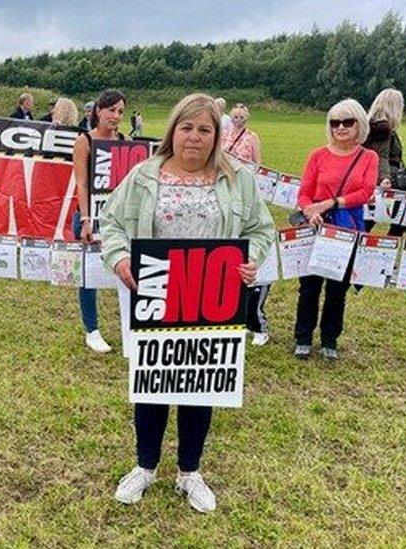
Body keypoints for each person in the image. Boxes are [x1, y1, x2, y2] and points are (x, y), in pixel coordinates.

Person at [100, 93, 274, 512]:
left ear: (216, 136)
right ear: (172, 130)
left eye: (204, 130)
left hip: (212, 299)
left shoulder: (238, 179)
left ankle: (190, 472)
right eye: (186, 127)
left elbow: (261, 228)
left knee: (199, 384)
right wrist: (120, 258)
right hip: (157, 294)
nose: (194, 138)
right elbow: (111, 222)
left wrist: (250, 259)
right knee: (153, 383)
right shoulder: (144, 176)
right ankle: (145, 467)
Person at [293, 99, 379, 360]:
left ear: (359, 125)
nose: (340, 127)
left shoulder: (368, 157)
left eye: (347, 122)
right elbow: (305, 193)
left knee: (337, 287)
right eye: (335, 122)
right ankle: (303, 336)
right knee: (309, 286)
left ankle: (330, 338)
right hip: (315, 226)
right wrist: (310, 211)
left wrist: (333, 203)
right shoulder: (317, 155)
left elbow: (366, 192)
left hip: (346, 226)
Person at [71, 89, 127, 353]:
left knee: (126, 270)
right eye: (111, 110)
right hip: (90, 215)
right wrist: (86, 219)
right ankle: (91, 330)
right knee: (89, 276)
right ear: (98, 111)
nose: (116, 116)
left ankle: (129, 325)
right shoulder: (85, 140)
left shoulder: (125, 141)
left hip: (118, 220)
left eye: (120, 112)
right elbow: (81, 183)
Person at [221, 103, 268, 345]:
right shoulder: (223, 135)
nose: (238, 119)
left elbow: (257, 165)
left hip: (243, 191)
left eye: (242, 117)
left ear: (247, 118)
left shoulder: (252, 137)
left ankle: (256, 322)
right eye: (235, 116)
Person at [364, 88, 406, 237]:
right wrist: (384, 178)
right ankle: (390, 241)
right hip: (379, 176)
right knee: (394, 214)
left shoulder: (371, 125)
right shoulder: (382, 128)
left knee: (370, 217)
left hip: (371, 173)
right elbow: (381, 156)